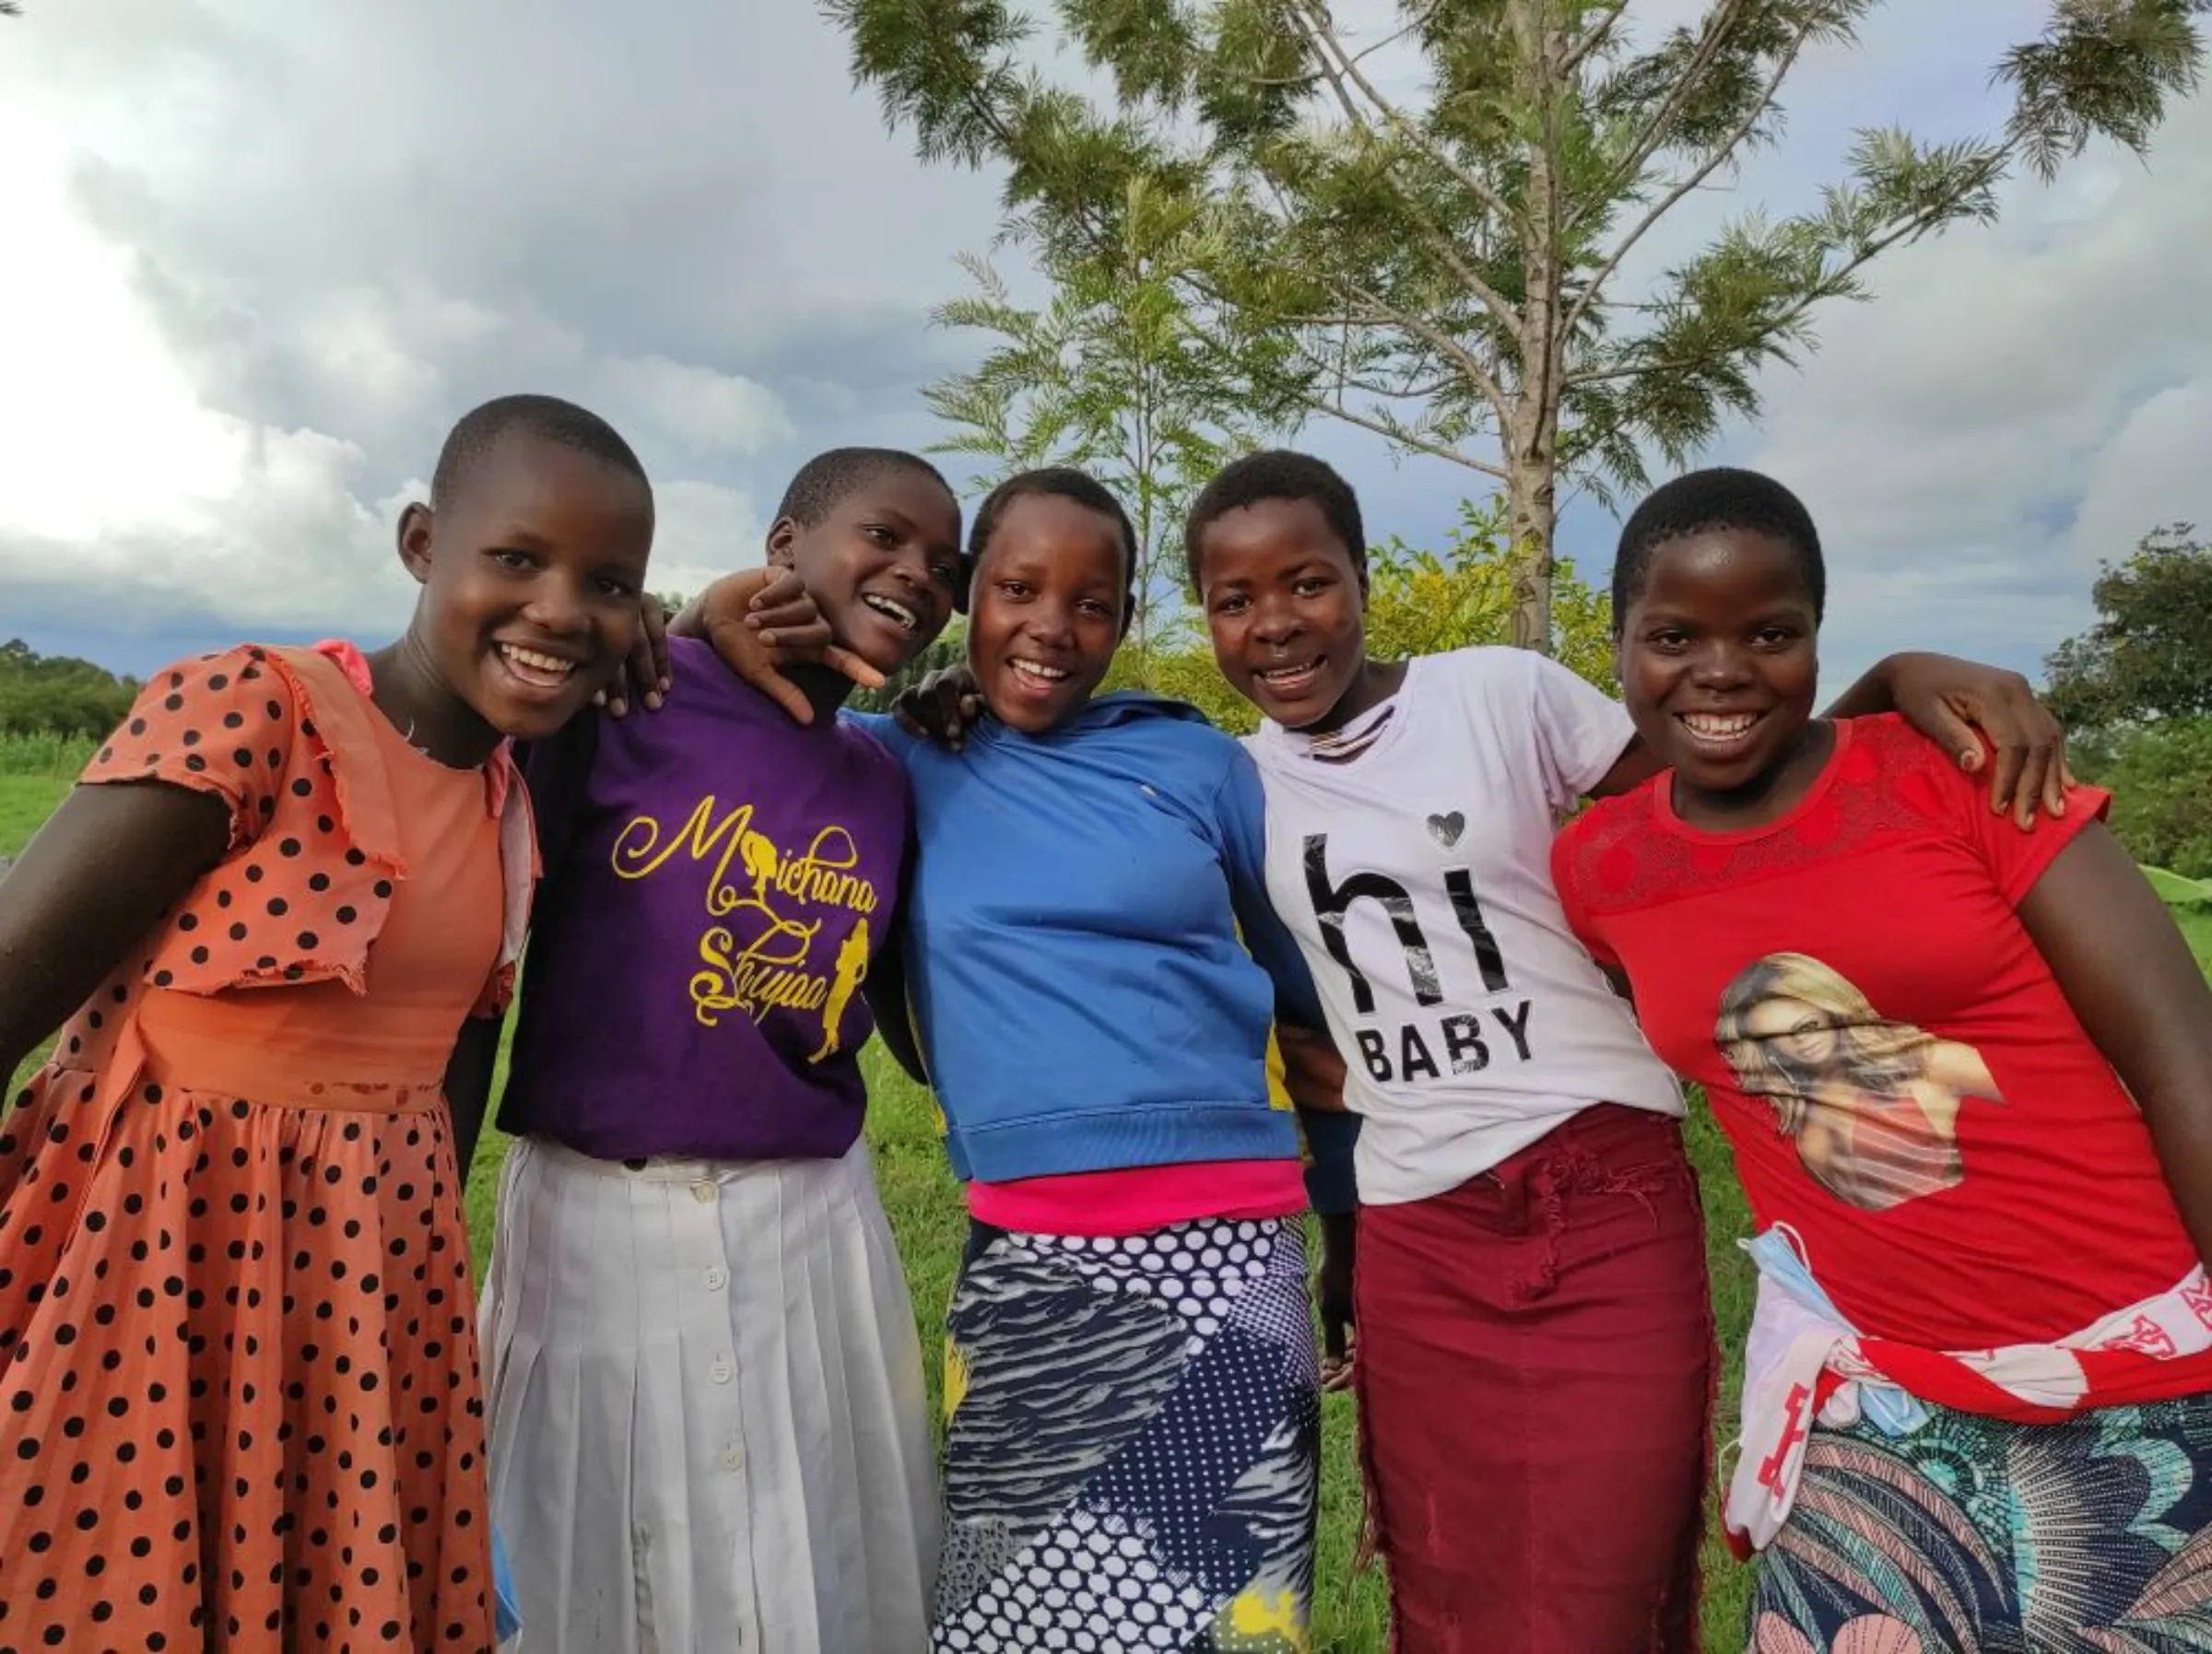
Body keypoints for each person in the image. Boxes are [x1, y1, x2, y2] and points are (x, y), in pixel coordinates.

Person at [1178, 449, 2075, 1653]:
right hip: (1415, 1231)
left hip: (1600, 1187)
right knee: (1448, 1576)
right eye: (1236, 600)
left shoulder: (1497, 693)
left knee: (1612, 1570)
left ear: (1361, 575)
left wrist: (1900, 678)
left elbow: (1732, 767)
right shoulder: (1235, 778)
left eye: (1307, 582)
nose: (1277, 624)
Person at [0, 393, 655, 1652]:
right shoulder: (258, 712)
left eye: (608, 582)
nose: (562, 608)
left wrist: (407, 1277)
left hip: (368, 1304)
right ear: (422, 544)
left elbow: (454, 1055)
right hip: (156, 1267)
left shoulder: (508, 801)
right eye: (517, 558)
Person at [670, 464, 1347, 1654]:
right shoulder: (894, 761)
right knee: (1013, 1621)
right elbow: (737, 697)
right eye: (1018, 588)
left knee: (1225, 1623)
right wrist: (716, 607)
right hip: (1030, 1261)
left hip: (1229, 1260)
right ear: (968, 598)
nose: (1052, 626)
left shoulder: (1200, 766)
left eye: (1092, 602)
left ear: (1126, 622)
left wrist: (1351, 1222)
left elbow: (1312, 1008)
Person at [1550, 467, 2212, 1651]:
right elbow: (1749, 817)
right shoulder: (1601, 869)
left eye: (1771, 632)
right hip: (1877, 1388)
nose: (1719, 669)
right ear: (1617, 645)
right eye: (1672, 636)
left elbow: (2183, 1061)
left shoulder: (1966, 774)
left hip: (2137, 1360)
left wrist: (1904, 684)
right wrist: (1896, 676)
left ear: (1815, 636)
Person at [477, 447, 963, 1653]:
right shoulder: (625, 692)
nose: (918, 574)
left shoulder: (885, 776)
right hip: (600, 1225)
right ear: (784, 545)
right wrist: (659, 618)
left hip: (809, 1228)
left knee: (812, 1561)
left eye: (945, 567)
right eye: (887, 537)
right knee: (595, 1562)